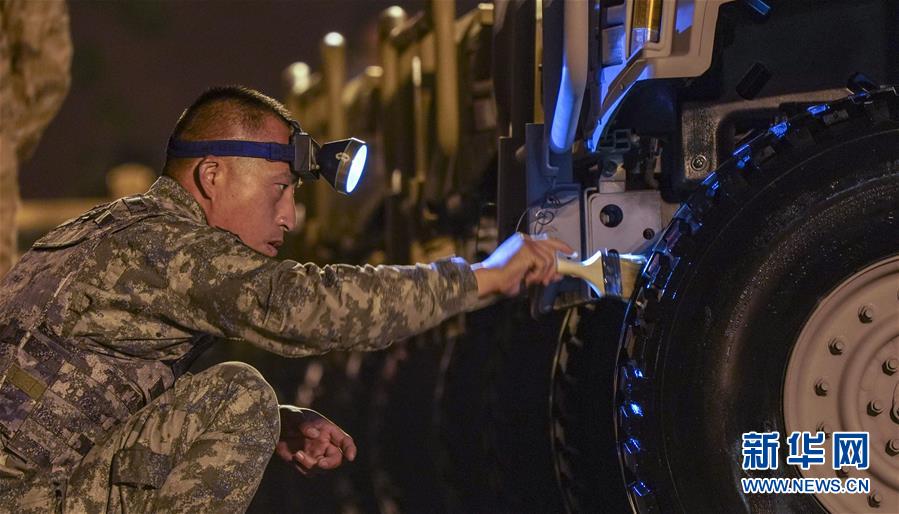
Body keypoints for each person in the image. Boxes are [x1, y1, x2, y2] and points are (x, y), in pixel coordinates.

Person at [0, 85, 571, 513]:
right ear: (212, 175)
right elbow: (309, 308)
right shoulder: (170, 248)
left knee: (251, 404)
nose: (290, 217)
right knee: (240, 393)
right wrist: (482, 277)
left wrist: (277, 422)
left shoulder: (114, 231)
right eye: (279, 190)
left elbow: (89, 388)